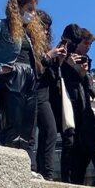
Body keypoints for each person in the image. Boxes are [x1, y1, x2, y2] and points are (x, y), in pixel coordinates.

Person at [0, 0, 54, 170]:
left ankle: (28, 167)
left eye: (34, 10)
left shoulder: (29, 33)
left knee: (28, 127)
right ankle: (11, 167)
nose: (33, 14)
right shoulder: (1, 24)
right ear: (17, 8)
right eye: (29, 9)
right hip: (11, 78)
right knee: (12, 125)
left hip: (30, 78)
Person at [57, 24, 95, 183]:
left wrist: (83, 72)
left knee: (90, 140)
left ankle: (84, 178)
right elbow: (55, 77)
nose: (87, 48)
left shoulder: (85, 60)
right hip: (67, 103)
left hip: (83, 106)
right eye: (85, 43)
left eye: (90, 45)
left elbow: (92, 90)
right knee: (70, 141)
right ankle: (68, 180)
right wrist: (67, 64)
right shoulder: (62, 56)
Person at [31, 9, 60, 178]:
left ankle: (47, 172)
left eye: (48, 29)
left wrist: (57, 61)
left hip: (44, 95)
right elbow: (33, 68)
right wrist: (48, 56)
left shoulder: (46, 46)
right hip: (30, 92)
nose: (46, 32)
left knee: (50, 131)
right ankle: (32, 168)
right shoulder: (27, 42)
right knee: (29, 135)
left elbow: (51, 75)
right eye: (43, 28)